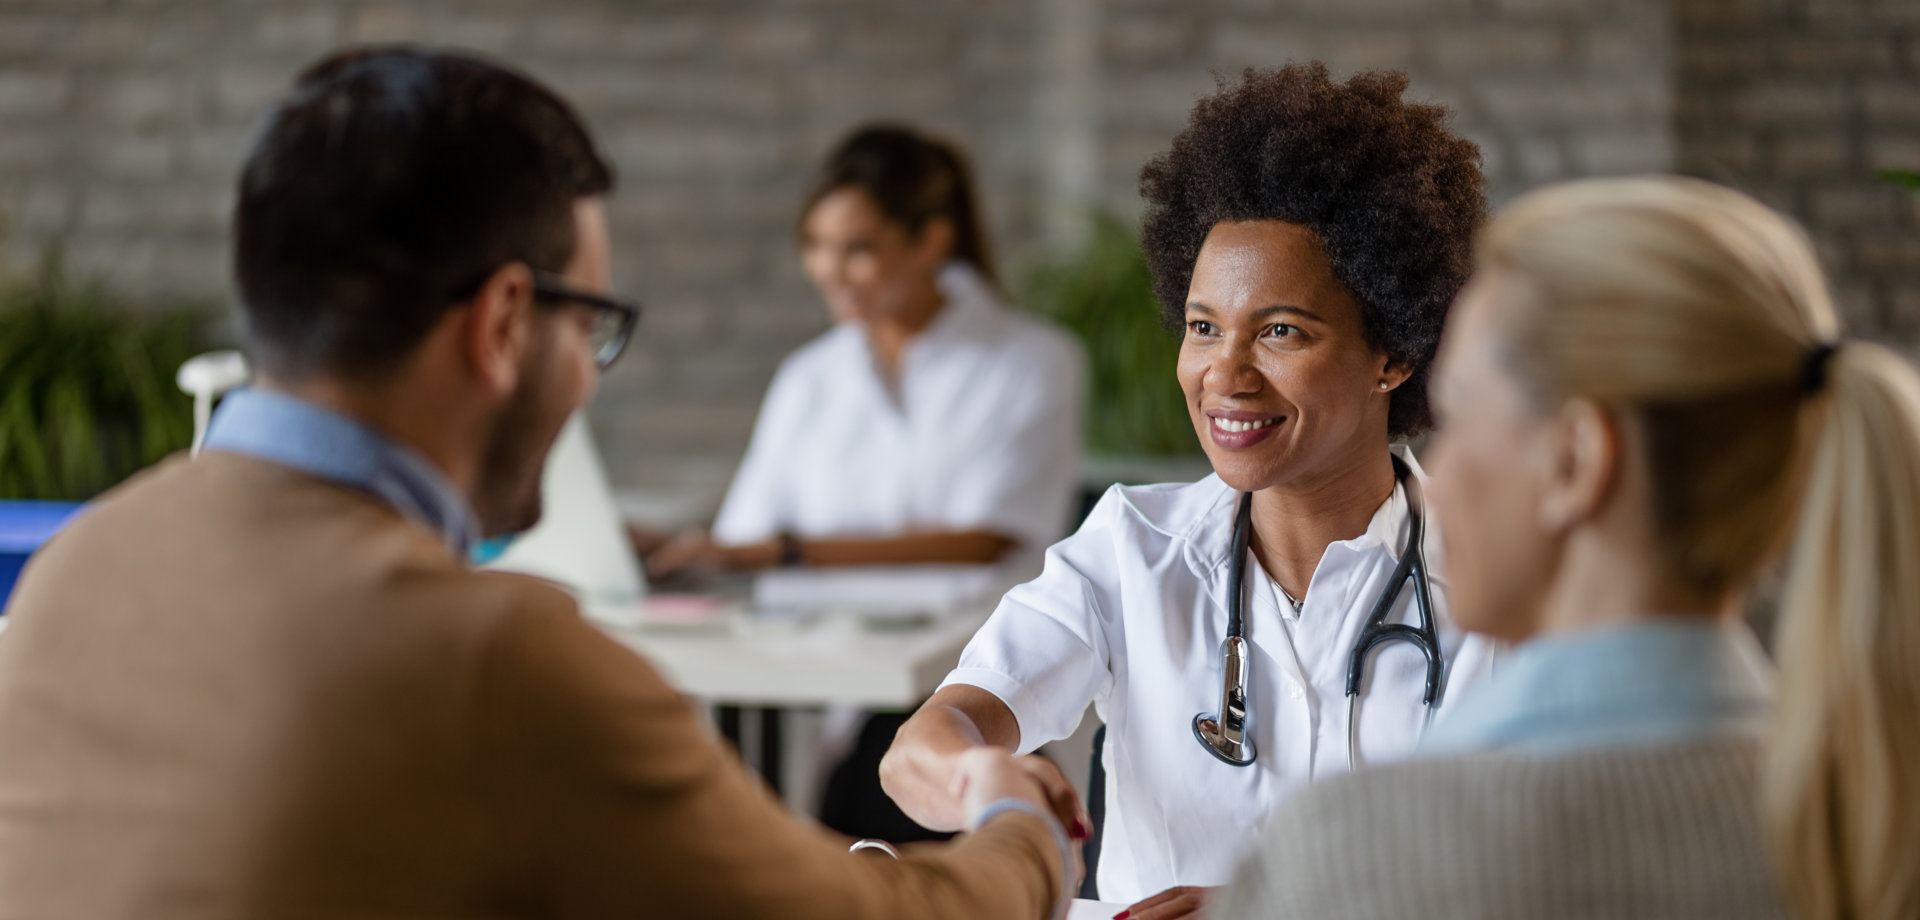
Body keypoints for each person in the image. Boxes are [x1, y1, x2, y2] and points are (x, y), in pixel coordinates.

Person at [0, 47, 1076, 919]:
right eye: (592, 327)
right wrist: (1013, 823)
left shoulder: (72, 571)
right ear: (504, 325)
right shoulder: (493, 657)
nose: (587, 379)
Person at [879, 63, 1497, 917]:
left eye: (1281, 331)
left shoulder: (1500, 585)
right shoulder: (1133, 548)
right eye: (1204, 327)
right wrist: (982, 777)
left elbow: (1524, 873)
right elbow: (921, 748)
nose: (1224, 375)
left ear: (1395, 353)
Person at [1212, 176, 1920, 920]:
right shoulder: (1875, 834)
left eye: (1456, 418)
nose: (1431, 484)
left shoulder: (1355, 857)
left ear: (1575, 463)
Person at [644, 124, 1086, 579]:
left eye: (858, 249)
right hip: (810, 635)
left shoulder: (1033, 361)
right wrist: (672, 545)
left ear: (931, 241)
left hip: (971, 637)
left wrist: (789, 553)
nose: (828, 271)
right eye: (814, 245)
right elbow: (746, 537)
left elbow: (987, 539)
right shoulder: (809, 375)